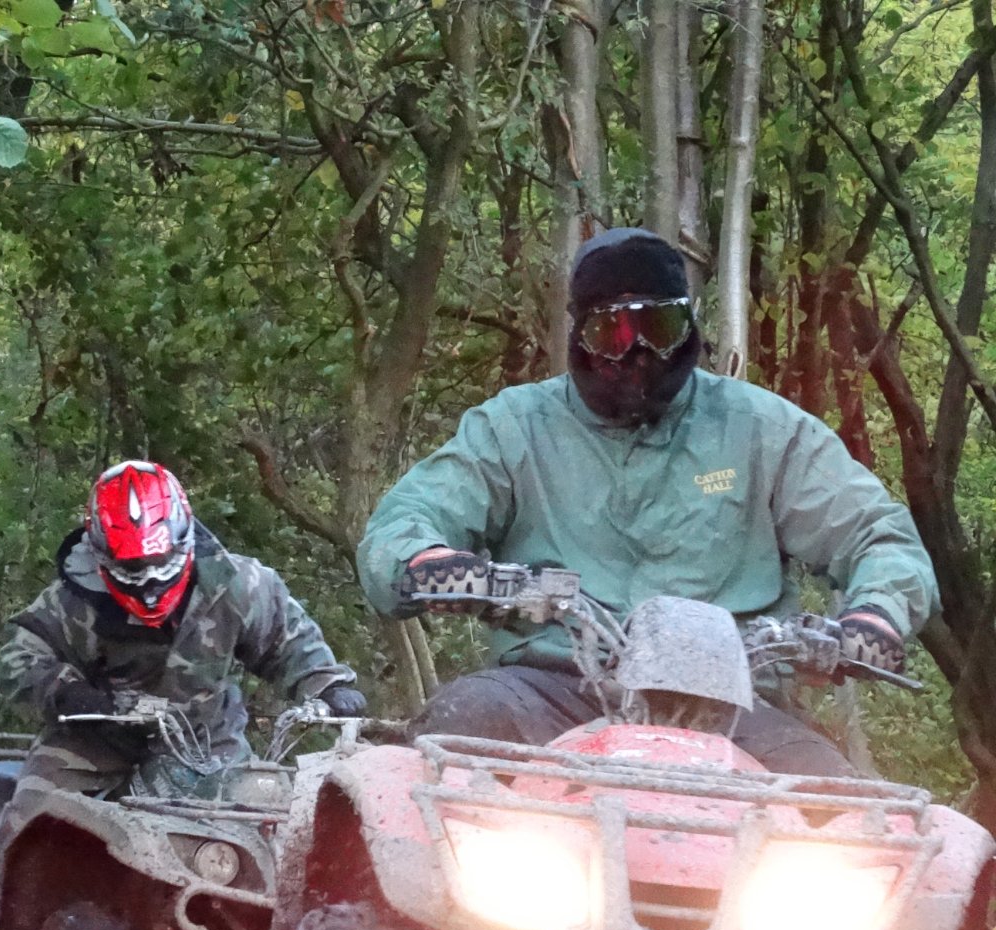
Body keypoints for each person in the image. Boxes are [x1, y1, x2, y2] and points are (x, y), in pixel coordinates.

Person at [357, 227, 939, 776]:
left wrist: (875, 615)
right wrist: (424, 561)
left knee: (848, 821)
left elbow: (875, 533)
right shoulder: (513, 427)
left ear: (689, 328)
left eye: (657, 328)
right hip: (548, 692)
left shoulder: (764, 430)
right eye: (612, 332)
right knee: (441, 754)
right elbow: (406, 519)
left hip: (737, 707)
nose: (636, 352)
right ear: (578, 335)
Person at [0, 460, 365, 824]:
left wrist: (329, 686)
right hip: (97, 737)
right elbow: (17, 657)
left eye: (162, 560)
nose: (150, 580)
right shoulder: (72, 600)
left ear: (184, 539)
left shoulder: (239, 584)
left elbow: (287, 640)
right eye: (134, 568)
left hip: (207, 741)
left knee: (265, 820)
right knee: (33, 820)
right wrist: (65, 690)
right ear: (100, 555)